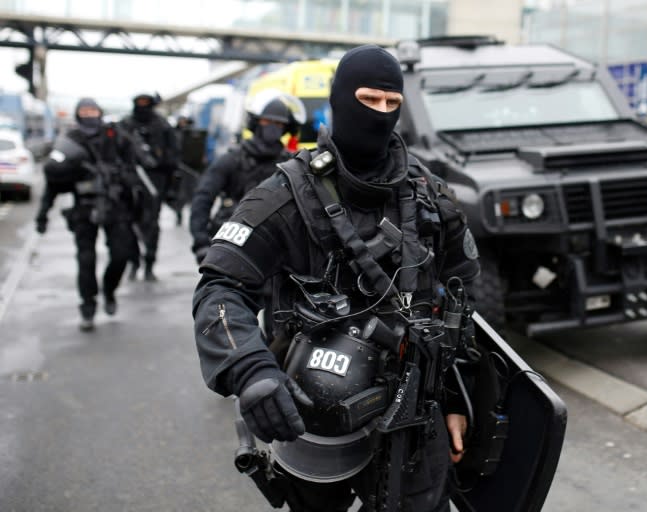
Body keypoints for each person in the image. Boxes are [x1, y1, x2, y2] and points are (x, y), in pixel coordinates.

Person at [192, 45, 481, 511]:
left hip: (414, 418)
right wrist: (251, 371)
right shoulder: (284, 195)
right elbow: (220, 289)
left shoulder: (429, 196)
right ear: (341, 100)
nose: (381, 114)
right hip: (313, 417)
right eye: (369, 100)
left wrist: (459, 400)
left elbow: (463, 302)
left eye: (393, 104)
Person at [37, 98, 141, 331]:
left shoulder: (114, 136)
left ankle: (109, 289)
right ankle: (88, 306)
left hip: (115, 207)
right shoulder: (72, 140)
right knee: (86, 260)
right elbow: (52, 181)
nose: (89, 114)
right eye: (84, 111)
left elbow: (134, 165)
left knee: (121, 255)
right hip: (84, 208)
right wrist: (43, 214)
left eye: (92, 110)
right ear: (77, 114)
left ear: (100, 112)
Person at [189, 90, 304, 264]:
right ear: (256, 123)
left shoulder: (290, 164)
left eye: (279, 124)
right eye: (267, 121)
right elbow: (202, 199)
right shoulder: (231, 160)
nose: (273, 127)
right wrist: (201, 243)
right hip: (233, 243)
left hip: (276, 247)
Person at [120, 93, 179, 281]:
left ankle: (149, 263)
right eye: (140, 103)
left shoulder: (162, 125)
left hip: (155, 181)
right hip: (130, 181)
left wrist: (168, 182)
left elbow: (173, 155)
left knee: (151, 224)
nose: (143, 107)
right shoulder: (126, 125)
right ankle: (134, 261)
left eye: (147, 103)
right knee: (128, 224)